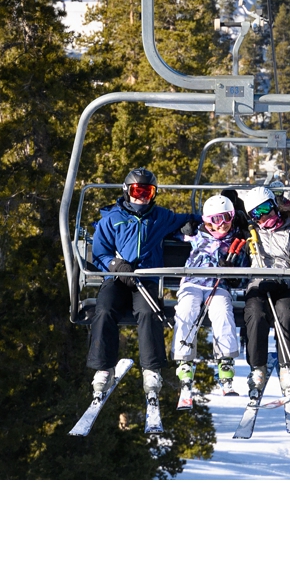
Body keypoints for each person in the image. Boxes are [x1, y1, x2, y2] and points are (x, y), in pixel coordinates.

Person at [86, 167, 197, 406]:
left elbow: (193, 218)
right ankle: (104, 368)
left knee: (148, 312)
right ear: (127, 191)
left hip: (146, 280)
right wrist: (116, 265)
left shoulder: (159, 216)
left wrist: (190, 224)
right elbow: (100, 253)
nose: (142, 197)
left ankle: (151, 369)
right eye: (138, 191)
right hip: (117, 279)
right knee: (104, 309)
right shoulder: (112, 218)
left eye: (148, 191)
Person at [172, 194, 247, 397]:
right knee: (186, 311)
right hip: (192, 283)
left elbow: (243, 277)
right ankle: (184, 361)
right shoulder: (196, 235)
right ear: (206, 220)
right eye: (215, 219)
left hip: (219, 286)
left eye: (226, 218)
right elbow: (167, 229)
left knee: (223, 313)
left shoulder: (238, 240)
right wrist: (181, 227)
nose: (221, 224)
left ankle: (225, 363)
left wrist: (232, 275)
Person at [238, 184, 290, 400]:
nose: (263, 216)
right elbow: (242, 264)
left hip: (286, 285)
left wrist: (284, 279)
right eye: (256, 213)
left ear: (275, 205)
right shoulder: (251, 235)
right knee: (255, 313)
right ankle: (257, 366)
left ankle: (287, 365)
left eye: (266, 208)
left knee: (286, 312)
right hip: (259, 285)